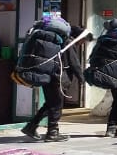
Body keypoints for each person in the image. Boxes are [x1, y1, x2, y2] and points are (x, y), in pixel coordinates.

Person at [18, 14, 86, 143]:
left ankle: (31, 126)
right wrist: (82, 78)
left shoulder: (57, 40)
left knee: (50, 103)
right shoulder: (67, 42)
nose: (83, 43)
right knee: (56, 105)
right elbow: (74, 63)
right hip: (58, 77)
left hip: (47, 75)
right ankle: (52, 133)